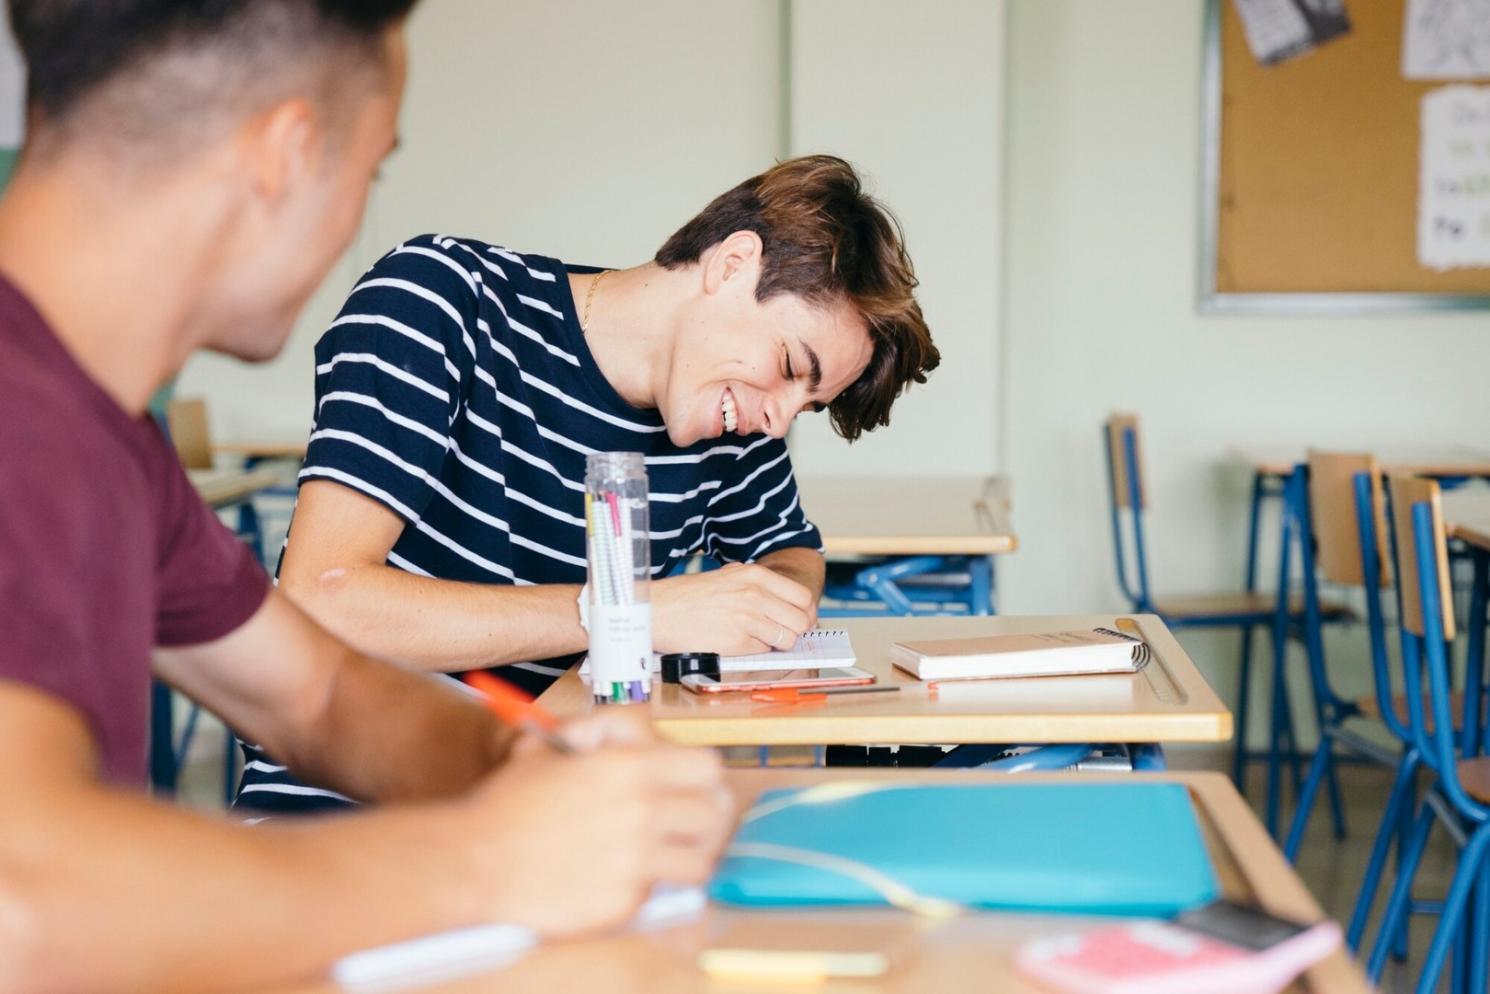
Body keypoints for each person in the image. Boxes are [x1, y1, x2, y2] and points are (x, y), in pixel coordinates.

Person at [0, 3, 731, 991]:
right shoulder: (21, 417)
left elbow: (316, 689)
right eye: (370, 166)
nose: (357, 212)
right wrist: (491, 859)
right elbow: (26, 907)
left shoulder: (103, 437)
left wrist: (525, 764)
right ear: (287, 153)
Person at [238, 155, 941, 813]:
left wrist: (765, 607)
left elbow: (790, 552)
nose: (777, 419)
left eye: (806, 408)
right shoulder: (441, 301)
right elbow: (321, 601)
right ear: (733, 264)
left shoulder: (730, 424)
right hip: (350, 808)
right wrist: (628, 615)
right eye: (790, 365)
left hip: (546, 805)